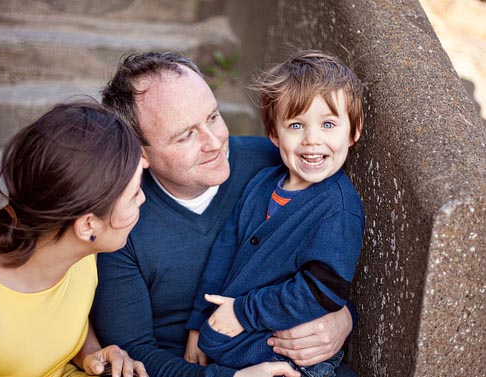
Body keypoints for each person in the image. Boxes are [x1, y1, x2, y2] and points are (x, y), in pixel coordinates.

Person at [91, 52, 357, 377]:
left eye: (213, 117)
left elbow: (328, 274)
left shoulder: (276, 164)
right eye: (187, 135)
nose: (215, 142)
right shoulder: (120, 224)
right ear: (140, 151)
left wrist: (343, 319)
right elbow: (133, 354)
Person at [0, 100, 149, 377]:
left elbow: (53, 320)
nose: (143, 198)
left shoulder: (76, 250)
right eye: (135, 193)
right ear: (88, 225)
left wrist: (91, 353)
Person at [183, 51, 365, 377]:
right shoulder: (261, 184)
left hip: (293, 355)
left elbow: (321, 291)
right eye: (296, 125)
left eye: (328, 124)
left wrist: (243, 312)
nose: (312, 140)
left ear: (353, 132)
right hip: (236, 341)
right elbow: (224, 251)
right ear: (274, 134)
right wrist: (198, 322)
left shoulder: (337, 208)